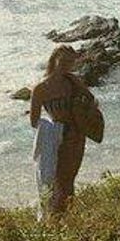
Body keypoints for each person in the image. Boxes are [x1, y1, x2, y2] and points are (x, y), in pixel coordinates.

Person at [30, 45, 87, 217]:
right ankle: (58, 218)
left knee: (67, 180)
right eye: (63, 61)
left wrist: (84, 116)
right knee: (54, 182)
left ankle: (65, 218)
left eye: (71, 62)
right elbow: (34, 121)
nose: (67, 66)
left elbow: (91, 102)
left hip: (75, 136)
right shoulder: (40, 88)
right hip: (56, 137)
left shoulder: (74, 82)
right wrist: (52, 128)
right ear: (54, 60)